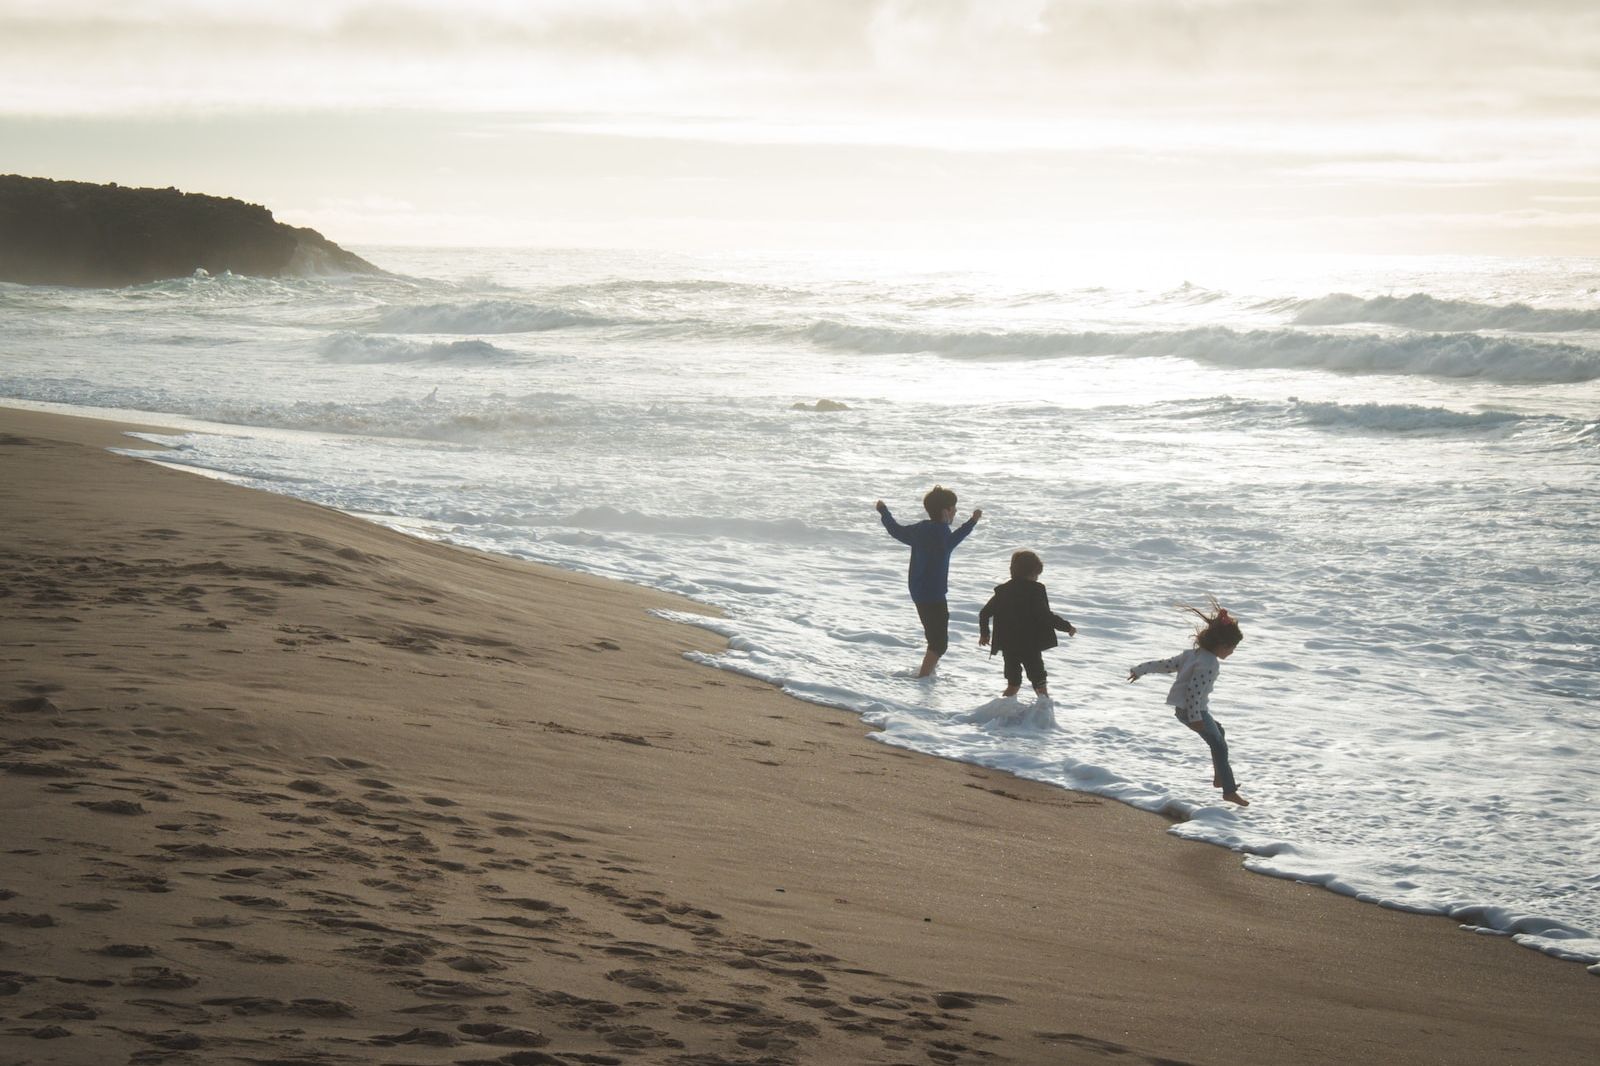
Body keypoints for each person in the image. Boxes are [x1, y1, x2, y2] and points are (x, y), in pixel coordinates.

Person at [1127, 601, 1250, 807]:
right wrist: (1195, 719)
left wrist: (1140, 669)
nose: (1232, 652)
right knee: (1218, 744)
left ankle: (1220, 776)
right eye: (1232, 648)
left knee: (1219, 733)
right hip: (1194, 711)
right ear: (1222, 646)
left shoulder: (1192, 655)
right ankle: (1228, 790)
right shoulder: (1209, 664)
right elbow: (1194, 692)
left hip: (1187, 710)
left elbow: (1166, 665)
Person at [875, 486, 981, 677]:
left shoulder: (920, 529)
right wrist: (972, 521)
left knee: (935, 638)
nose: (955, 511)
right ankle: (923, 679)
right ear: (945, 511)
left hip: (918, 590)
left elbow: (895, 530)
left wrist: (884, 511)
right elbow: (954, 539)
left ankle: (926, 674)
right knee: (939, 644)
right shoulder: (941, 533)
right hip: (933, 594)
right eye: (953, 508)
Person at [977, 549, 1076, 698]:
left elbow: (984, 613)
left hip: (1008, 645)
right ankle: (1044, 713)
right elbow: (1045, 616)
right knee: (1039, 681)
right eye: (1036, 575)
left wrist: (985, 634)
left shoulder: (1003, 591)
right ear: (1032, 573)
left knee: (1013, 683)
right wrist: (1067, 627)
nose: (1037, 578)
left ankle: (1002, 712)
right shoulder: (1035, 590)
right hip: (1029, 644)